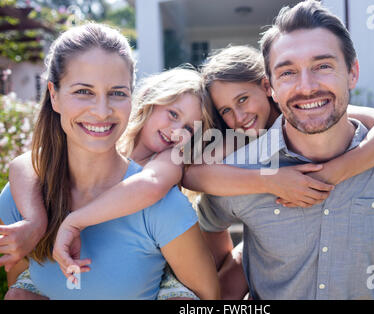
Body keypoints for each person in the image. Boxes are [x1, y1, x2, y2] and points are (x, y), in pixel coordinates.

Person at [192, 1, 374, 299]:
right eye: (288, 72)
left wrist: (339, 170)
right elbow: (196, 186)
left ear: (352, 72)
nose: (307, 87)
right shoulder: (237, 164)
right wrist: (239, 265)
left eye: (323, 66)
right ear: (272, 87)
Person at [0, 23, 220, 300]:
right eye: (84, 91)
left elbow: (209, 298)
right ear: (53, 95)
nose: (102, 112)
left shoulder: (162, 203)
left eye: (117, 93)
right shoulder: (21, 197)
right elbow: (21, 282)